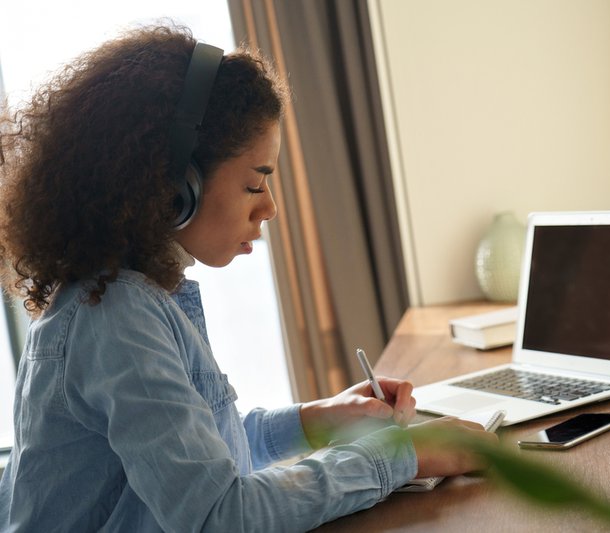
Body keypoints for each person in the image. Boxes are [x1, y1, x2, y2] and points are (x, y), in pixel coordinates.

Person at [0, 25, 496, 532]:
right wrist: (400, 455)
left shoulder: (129, 297)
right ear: (174, 187)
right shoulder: (115, 316)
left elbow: (198, 455)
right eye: (255, 182)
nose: (270, 208)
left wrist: (318, 419)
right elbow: (220, 515)